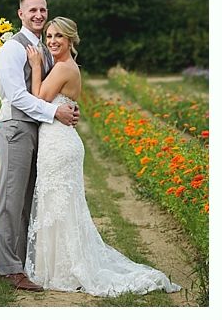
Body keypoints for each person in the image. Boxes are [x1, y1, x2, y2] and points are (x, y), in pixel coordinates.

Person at [23, 17, 181, 296]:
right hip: (58, 142)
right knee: (58, 206)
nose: (52, 42)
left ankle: (68, 267)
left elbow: (38, 98)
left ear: (71, 39)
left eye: (58, 36)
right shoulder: (66, 66)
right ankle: (59, 265)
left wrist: (36, 66)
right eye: (48, 36)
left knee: (60, 206)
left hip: (59, 146)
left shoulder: (62, 67)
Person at [0, 0, 79, 291]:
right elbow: (16, 96)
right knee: (11, 199)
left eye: (43, 9)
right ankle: (9, 268)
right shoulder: (11, 50)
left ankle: (23, 263)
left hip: (38, 129)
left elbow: (54, 87)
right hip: (16, 126)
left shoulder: (43, 48)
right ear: (20, 13)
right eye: (32, 10)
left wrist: (65, 105)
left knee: (29, 200)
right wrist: (55, 110)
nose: (39, 14)